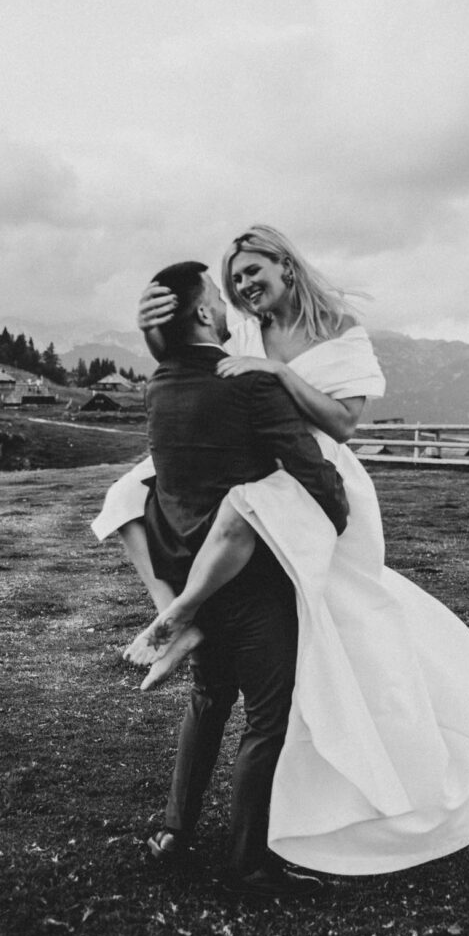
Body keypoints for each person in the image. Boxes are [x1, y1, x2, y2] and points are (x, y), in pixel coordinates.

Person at [94, 225, 469, 876]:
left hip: (307, 475)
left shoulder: (340, 335)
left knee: (327, 634)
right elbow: (190, 350)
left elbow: (342, 422)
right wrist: (152, 324)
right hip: (255, 465)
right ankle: (177, 614)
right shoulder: (238, 333)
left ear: (287, 266)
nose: (243, 286)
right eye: (233, 277)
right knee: (128, 495)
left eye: (253, 271)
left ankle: (188, 619)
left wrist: (273, 371)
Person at [136, 259, 349, 897]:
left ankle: (176, 831)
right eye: (216, 301)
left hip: (188, 569)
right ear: (203, 313)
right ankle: (249, 860)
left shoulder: (158, 387)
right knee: (266, 715)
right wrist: (338, 509)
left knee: (208, 699)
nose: (229, 308)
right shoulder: (251, 388)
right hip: (253, 580)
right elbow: (316, 479)